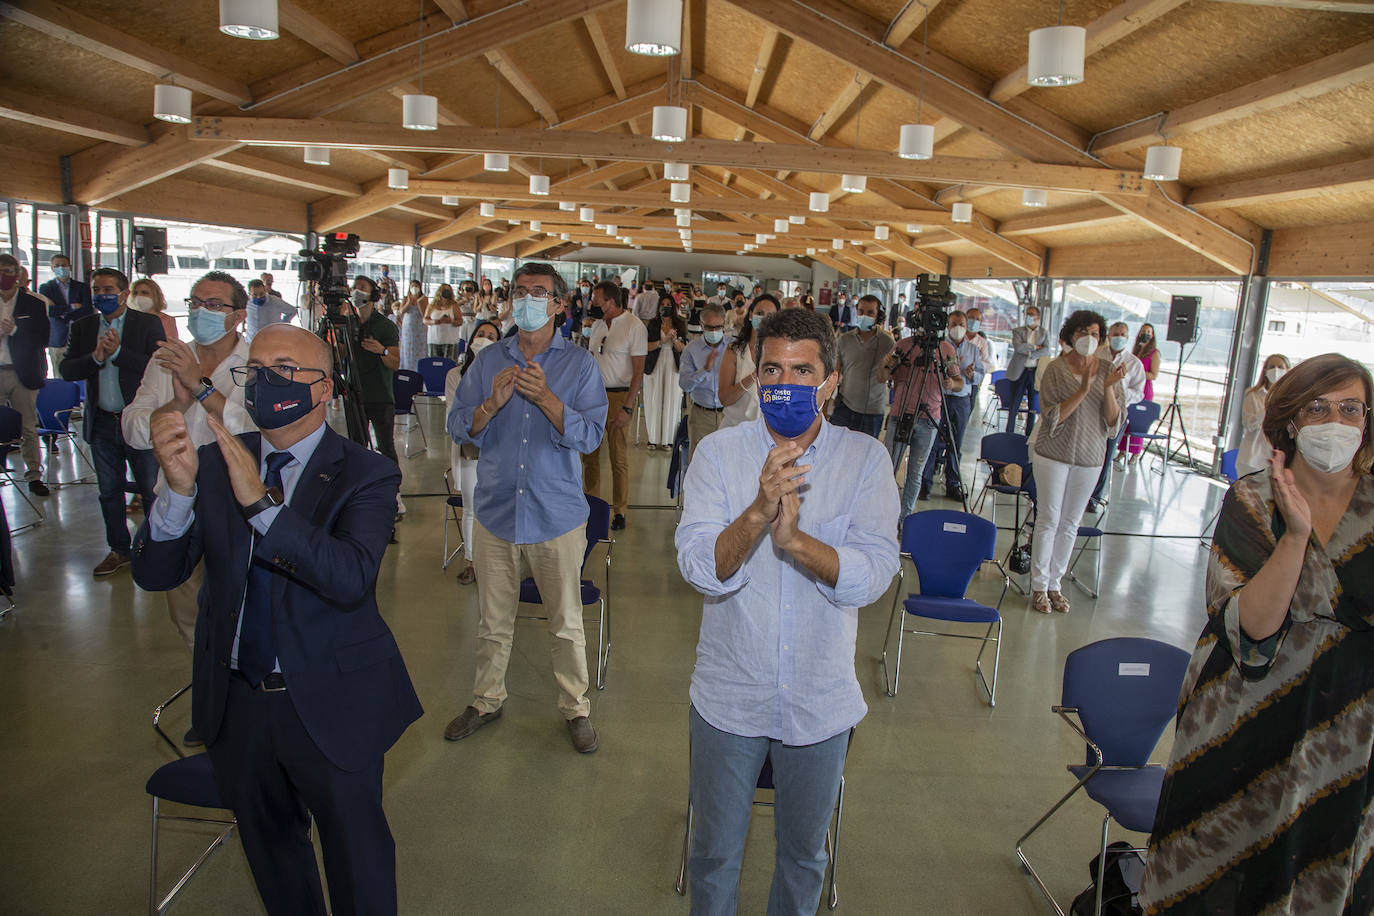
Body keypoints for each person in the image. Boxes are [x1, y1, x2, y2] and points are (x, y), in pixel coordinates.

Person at [133, 322, 421, 916]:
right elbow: (156, 574)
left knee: (356, 855)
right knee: (272, 854)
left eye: (285, 370)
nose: (266, 382)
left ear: (324, 390)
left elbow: (347, 578)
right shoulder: (213, 464)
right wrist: (179, 493)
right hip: (238, 705)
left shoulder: (366, 472)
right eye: (255, 370)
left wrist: (262, 507)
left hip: (330, 702)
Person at [675, 307, 899, 915]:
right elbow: (699, 568)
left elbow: (876, 573)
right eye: (772, 367)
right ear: (756, 370)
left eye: (803, 371)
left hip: (819, 701)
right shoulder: (719, 456)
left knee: (804, 858)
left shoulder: (865, 461)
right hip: (729, 695)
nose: (786, 383)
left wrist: (797, 543)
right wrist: (755, 514)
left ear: (830, 382)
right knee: (715, 853)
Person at [1139, 353, 1374, 916]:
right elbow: (1252, 629)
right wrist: (1295, 537)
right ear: (1291, 419)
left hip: (1349, 727)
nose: (1336, 422)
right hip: (1244, 714)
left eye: (1351, 409)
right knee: (1222, 862)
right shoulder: (1250, 499)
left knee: (1321, 864)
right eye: (1318, 407)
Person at [445, 262, 607, 753]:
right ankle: (486, 698)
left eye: (539, 293)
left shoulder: (579, 366)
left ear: (560, 303)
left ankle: (575, 708)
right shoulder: (489, 358)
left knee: (565, 623)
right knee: (492, 620)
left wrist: (549, 402)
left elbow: (591, 434)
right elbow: (458, 427)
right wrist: (489, 406)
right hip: (495, 512)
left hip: (554, 514)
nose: (527, 300)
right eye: (520, 292)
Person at [122, 270, 254, 667]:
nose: (202, 312)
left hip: (237, 503)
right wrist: (176, 406)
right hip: (179, 500)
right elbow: (132, 428)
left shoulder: (256, 363)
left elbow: (256, 431)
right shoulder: (166, 361)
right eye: (195, 303)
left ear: (238, 316)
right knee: (185, 604)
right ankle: (209, 684)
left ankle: (237, 681)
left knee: (240, 600)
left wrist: (201, 389)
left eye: (214, 305)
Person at [61, 266, 165, 576]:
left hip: (138, 422)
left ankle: (155, 548)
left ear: (123, 293)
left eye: (108, 290)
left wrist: (118, 353)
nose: (101, 295)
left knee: (150, 489)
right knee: (109, 491)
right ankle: (119, 549)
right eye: (96, 289)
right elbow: (67, 370)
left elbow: (155, 366)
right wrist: (95, 358)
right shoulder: (82, 327)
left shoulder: (147, 324)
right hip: (103, 422)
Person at [1027, 310, 1126, 614]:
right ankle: (1039, 585)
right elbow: (1052, 416)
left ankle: (1055, 583)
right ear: (1071, 336)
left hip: (1090, 456)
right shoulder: (1056, 369)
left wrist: (1107, 386)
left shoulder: (1110, 369)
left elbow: (1113, 421)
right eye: (1083, 332)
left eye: (1095, 333)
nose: (1089, 339)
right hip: (1052, 454)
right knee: (1049, 519)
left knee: (1071, 523)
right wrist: (1084, 388)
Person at [879, 326, 963, 523]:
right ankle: (884, 517)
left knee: (915, 473)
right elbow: (881, 377)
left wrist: (951, 384)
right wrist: (887, 364)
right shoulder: (903, 346)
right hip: (900, 414)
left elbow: (959, 382)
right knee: (888, 470)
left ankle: (904, 519)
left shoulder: (946, 349)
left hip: (929, 418)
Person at [582, 280, 647, 531]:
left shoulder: (634, 326)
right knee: (589, 455)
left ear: (611, 301)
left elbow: (638, 372)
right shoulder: (597, 325)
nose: (594, 304)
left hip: (620, 396)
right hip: (593, 397)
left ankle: (620, 510)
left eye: (598, 300)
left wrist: (628, 407)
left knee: (618, 457)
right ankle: (592, 504)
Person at [444, 319, 501, 587]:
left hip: (500, 448)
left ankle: (496, 562)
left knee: (498, 506)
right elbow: (455, 418)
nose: (486, 338)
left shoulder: (506, 374)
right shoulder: (456, 375)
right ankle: (471, 561)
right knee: (471, 507)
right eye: (481, 334)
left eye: (492, 336)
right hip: (469, 448)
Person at [0, 254, 51, 496]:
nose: (4, 276)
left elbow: (43, 339)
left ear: (18, 275)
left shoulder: (33, 304)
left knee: (28, 427)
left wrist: (15, 331)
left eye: (9, 271)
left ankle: (33, 475)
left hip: (23, 373)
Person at [921, 310, 985, 502]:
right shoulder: (939, 347)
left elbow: (981, 375)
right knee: (931, 442)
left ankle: (953, 483)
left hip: (961, 399)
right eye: (954, 323)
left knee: (955, 443)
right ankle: (925, 482)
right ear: (947, 326)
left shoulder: (973, 350)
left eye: (962, 324)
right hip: (938, 398)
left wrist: (972, 374)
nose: (958, 328)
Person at [1088, 321, 1147, 512]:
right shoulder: (1096, 354)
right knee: (1089, 451)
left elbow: (1139, 393)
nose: (1119, 337)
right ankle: (1083, 490)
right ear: (1109, 336)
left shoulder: (1133, 363)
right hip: (1093, 410)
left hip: (1117, 413)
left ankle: (1095, 497)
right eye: (1115, 334)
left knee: (1107, 454)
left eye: (1122, 334)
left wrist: (1116, 391)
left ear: (1128, 338)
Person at [350, 275, 401, 477]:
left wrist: (382, 351)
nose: (357, 291)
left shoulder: (386, 326)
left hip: (380, 395)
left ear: (373, 294)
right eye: (355, 287)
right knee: (356, 445)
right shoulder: (348, 323)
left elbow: (395, 363)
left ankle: (393, 487)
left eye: (362, 287)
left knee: (386, 446)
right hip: (355, 395)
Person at [831, 294, 895, 439]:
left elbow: (890, 377)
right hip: (844, 408)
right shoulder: (844, 340)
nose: (864, 315)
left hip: (872, 412)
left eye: (870, 313)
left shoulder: (887, 343)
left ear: (879, 316)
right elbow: (834, 373)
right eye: (861, 311)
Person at [718, 295, 779, 429]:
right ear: (751, 315)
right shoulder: (734, 351)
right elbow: (724, 398)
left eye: (770, 316)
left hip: (765, 432)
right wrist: (752, 377)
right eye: (760, 313)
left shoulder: (781, 356)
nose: (764, 319)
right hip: (734, 429)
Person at [679, 303, 730, 459]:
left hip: (728, 414)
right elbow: (684, 384)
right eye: (709, 327)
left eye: (718, 327)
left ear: (724, 325)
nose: (714, 331)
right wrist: (704, 371)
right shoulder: (691, 350)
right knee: (699, 463)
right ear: (701, 325)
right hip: (701, 415)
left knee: (728, 462)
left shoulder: (733, 347)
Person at [1236, 353, 1292, 477]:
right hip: (1252, 459)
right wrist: (1270, 406)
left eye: (1280, 367)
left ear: (1287, 370)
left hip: (1277, 461)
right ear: (1265, 370)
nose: (1276, 370)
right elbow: (1249, 424)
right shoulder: (1253, 394)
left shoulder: (1290, 399)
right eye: (1272, 366)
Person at [644, 303, 688, 450]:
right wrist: (662, 341)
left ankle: (668, 439)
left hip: (673, 362)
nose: (666, 308)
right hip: (654, 361)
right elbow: (646, 346)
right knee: (653, 397)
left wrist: (674, 339)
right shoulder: (653, 324)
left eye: (669, 305)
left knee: (672, 398)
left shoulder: (680, 324)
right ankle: (653, 438)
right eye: (663, 305)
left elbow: (683, 348)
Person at [40, 252, 91, 376]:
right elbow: (49, 311)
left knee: (81, 372)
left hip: (79, 335)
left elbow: (86, 310)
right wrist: (72, 307)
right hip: (57, 338)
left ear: (70, 267)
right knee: (59, 374)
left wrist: (61, 311)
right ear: (52, 268)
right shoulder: (46, 288)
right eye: (57, 265)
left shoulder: (82, 287)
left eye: (64, 265)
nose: (61, 268)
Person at [1118, 322, 1162, 464]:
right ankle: (1122, 450)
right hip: (1132, 387)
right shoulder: (1136, 351)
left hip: (1144, 390)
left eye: (1149, 331)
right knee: (1127, 421)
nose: (1146, 334)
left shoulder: (1154, 353)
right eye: (1144, 331)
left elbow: (1153, 374)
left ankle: (1135, 453)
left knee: (1138, 423)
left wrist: (1138, 373)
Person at [1005, 305, 1052, 435]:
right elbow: (1018, 348)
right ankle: (1009, 432)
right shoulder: (1018, 331)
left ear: (1038, 318)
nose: (1029, 317)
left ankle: (1029, 433)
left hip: (1035, 371)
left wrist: (1031, 353)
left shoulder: (1044, 333)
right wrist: (1036, 346)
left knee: (1033, 404)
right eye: (1027, 314)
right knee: (1014, 403)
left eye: (1032, 315)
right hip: (1020, 370)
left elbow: (1047, 350)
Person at [395, 280, 428, 372]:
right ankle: (407, 369)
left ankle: (420, 369)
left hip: (420, 328)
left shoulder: (423, 299)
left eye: (416, 286)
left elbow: (424, 314)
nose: (414, 288)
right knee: (408, 348)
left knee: (420, 349)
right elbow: (401, 312)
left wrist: (418, 302)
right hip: (408, 329)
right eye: (412, 286)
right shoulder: (406, 298)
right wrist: (409, 302)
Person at [424, 284, 463, 362]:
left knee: (449, 364)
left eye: (448, 290)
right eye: (444, 290)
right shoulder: (432, 305)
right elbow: (425, 319)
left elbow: (460, 321)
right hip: (434, 339)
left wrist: (451, 321)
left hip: (450, 340)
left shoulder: (454, 305)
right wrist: (434, 321)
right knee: (434, 364)